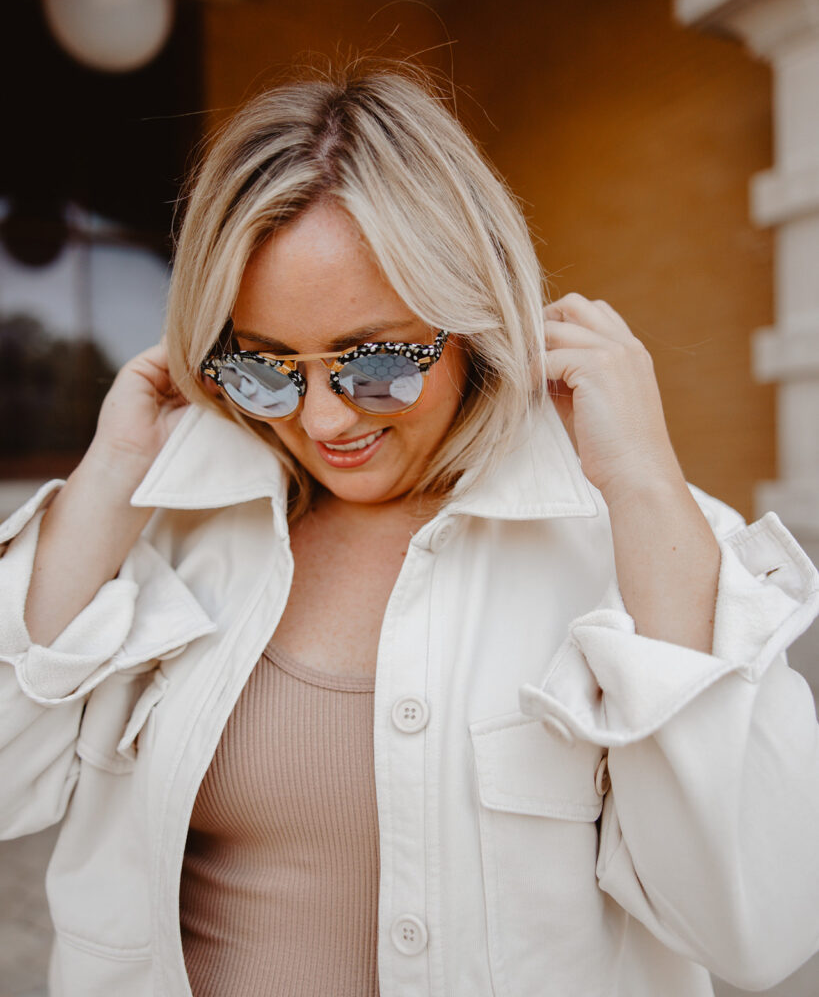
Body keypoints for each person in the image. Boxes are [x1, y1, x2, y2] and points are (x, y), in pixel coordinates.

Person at [2, 65, 819, 997]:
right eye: (265, 369)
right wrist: (109, 476)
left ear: (475, 319)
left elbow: (760, 922)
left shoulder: (630, 541)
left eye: (377, 362)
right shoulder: (168, 527)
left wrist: (641, 480)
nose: (323, 422)